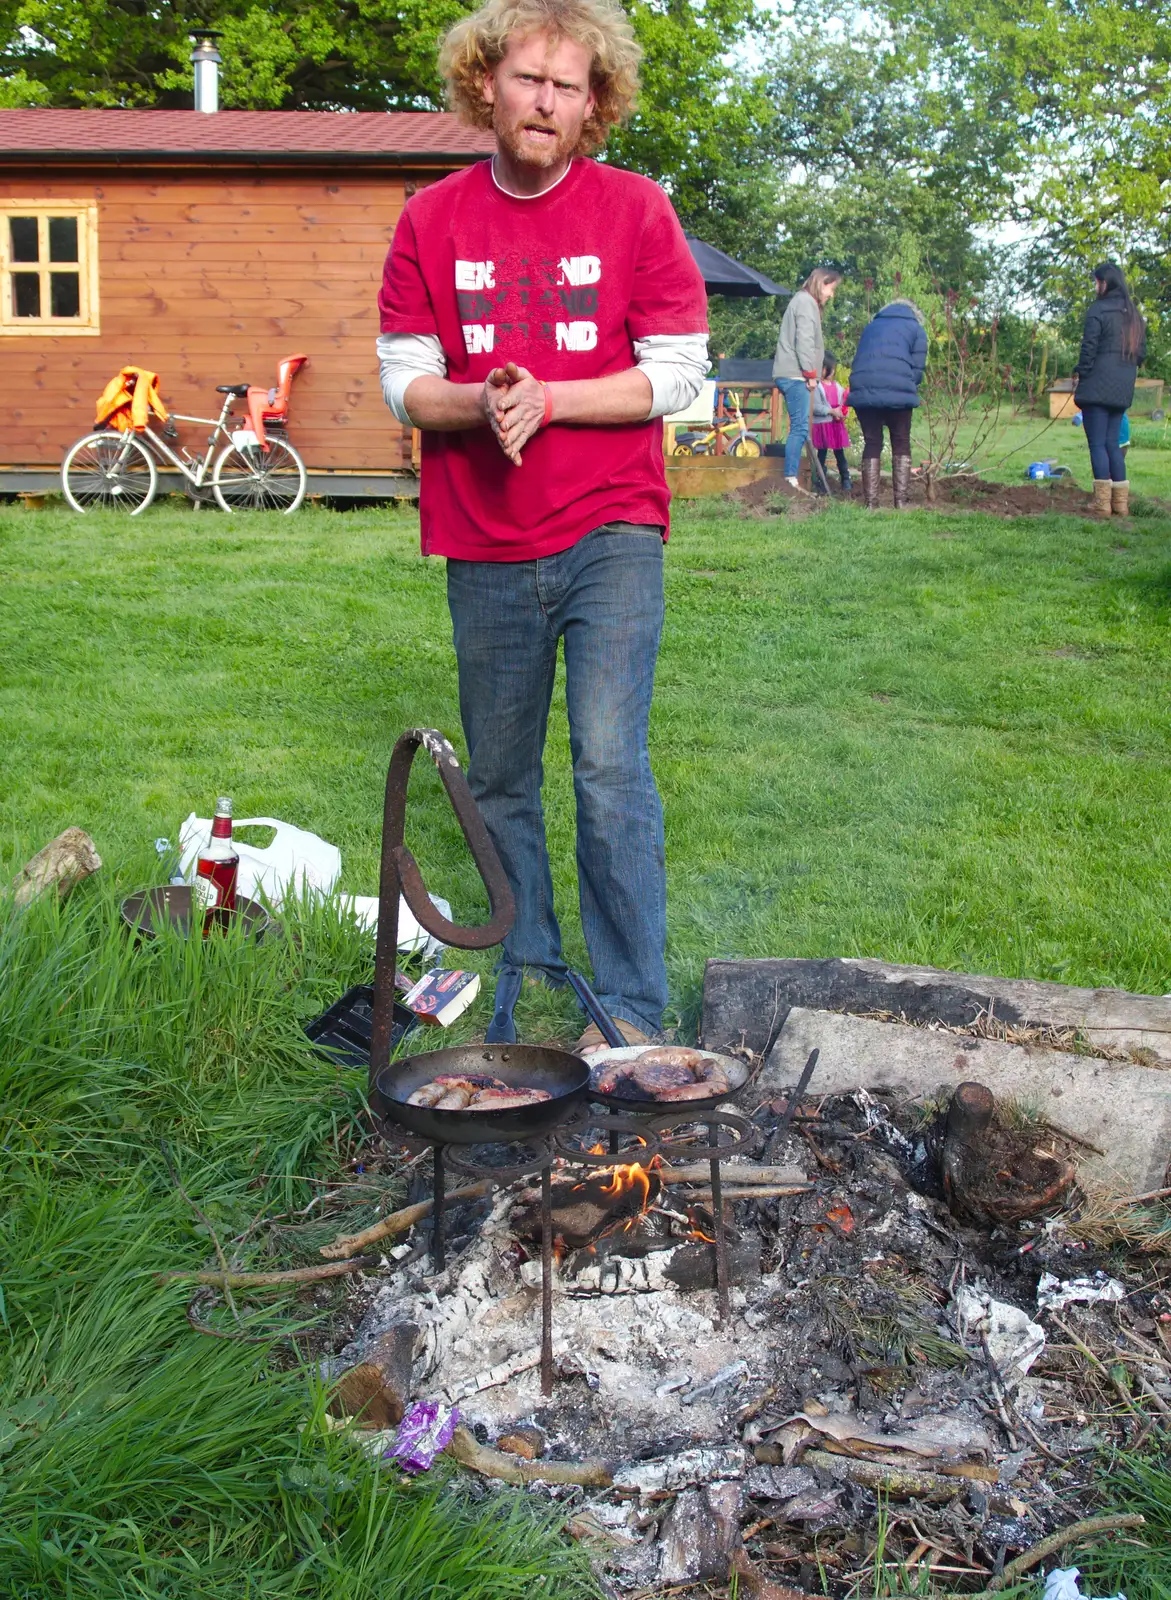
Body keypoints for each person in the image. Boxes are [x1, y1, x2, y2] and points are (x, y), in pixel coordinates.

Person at [376, 0, 709, 1053]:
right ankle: (527, 969)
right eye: (529, 78)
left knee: (610, 768)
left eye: (569, 86)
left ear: (594, 102)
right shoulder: (430, 220)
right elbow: (403, 384)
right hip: (483, 540)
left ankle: (631, 1009)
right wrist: (482, 401)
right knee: (503, 776)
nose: (547, 101)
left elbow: (679, 373)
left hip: (612, 528)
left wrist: (551, 398)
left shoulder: (637, 211)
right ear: (486, 82)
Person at [1073, 261, 1146, 517]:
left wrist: (1080, 371)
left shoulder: (1098, 310)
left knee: (1097, 444)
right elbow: (1141, 355)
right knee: (1113, 444)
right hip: (1121, 389)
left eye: (1097, 281)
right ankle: (1121, 505)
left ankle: (1101, 504)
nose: (1095, 286)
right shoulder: (1134, 315)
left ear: (1105, 283)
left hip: (1096, 386)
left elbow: (1089, 349)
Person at [848, 298, 927, 510]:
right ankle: (900, 502)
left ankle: (871, 504)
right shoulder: (916, 329)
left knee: (872, 442)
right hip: (898, 390)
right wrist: (907, 386)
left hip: (864, 387)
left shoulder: (871, 327)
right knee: (900, 441)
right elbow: (918, 370)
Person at [772, 268, 843, 488]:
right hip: (795, 374)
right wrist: (811, 374)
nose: (832, 295)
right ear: (822, 283)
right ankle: (790, 478)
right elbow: (804, 340)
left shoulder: (804, 302)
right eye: (831, 289)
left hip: (795, 373)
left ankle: (791, 477)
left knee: (801, 426)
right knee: (800, 427)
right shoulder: (804, 303)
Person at [811, 352, 851, 494]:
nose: (832, 371)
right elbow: (814, 407)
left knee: (839, 452)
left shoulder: (837, 386)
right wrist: (830, 411)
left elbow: (843, 402)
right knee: (821, 452)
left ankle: (845, 478)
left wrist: (843, 412)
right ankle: (820, 479)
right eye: (829, 368)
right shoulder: (816, 386)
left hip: (835, 424)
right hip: (823, 424)